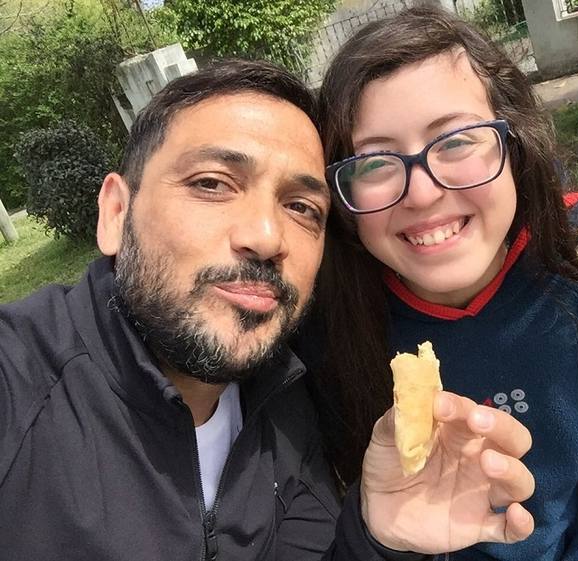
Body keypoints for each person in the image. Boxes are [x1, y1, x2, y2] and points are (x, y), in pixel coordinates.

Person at [0, 60, 537, 560]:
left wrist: (377, 537)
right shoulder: (20, 384)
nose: (265, 236)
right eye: (212, 184)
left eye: (302, 207)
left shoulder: (287, 394)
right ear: (116, 213)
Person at [299, 7, 578, 561]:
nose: (423, 194)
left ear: (515, 142)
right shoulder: (325, 323)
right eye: (375, 162)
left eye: (456, 141)